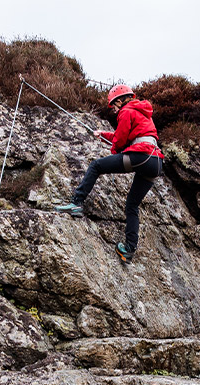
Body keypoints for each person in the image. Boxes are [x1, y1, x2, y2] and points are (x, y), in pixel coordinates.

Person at [55, 84, 165, 263]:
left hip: (141, 156)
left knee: (96, 166)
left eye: (114, 105)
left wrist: (114, 151)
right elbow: (128, 135)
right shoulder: (141, 111)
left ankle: (76, 202)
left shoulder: (126, 111)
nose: (113, 109)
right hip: (156, 162)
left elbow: (121, 140)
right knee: (132, 205)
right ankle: (129, 250)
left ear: (120, 100)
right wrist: (103, 134)